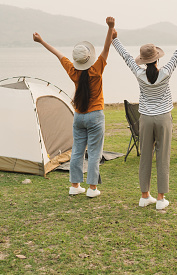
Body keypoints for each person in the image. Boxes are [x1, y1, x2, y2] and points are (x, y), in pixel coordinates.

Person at [111, 21, 177, 209]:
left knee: (145, 156)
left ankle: (145, 196)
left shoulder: (139, 74)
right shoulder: (166, 73)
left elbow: (126, 57)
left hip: (145, 119)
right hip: (163, 119)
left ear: (143, 61)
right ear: (157, 59)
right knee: (162, 156)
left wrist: (114, 38)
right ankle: (160, 199)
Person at [33, 17, 115, 197]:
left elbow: (57, 54)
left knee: (77, 151)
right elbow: (107, 48)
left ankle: (74, 185)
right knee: (94, 153)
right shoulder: (97, 70)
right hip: (95, 116)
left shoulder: (73, 71)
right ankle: (92, 189)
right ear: (89, 58)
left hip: (78, 117)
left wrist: (41, 41)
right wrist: (110, 28)